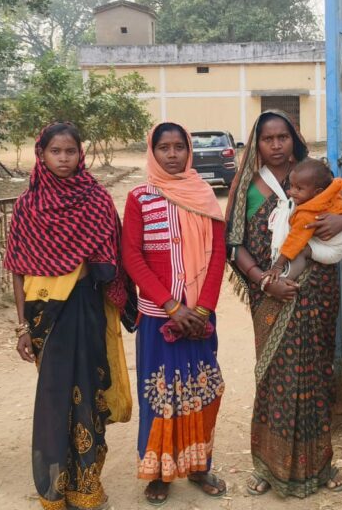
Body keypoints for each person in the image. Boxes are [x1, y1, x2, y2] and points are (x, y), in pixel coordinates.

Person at [225, 110, 342, 498]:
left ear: (294, 138)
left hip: (317, 292)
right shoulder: (248, 185)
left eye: (282, 137)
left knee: (315, 377)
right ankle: (267, 466)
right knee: (274, 379)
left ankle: (320, 465)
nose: (276, 145)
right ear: (257, 143)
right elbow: (234, 244)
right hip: (270, 295)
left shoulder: (314, 176)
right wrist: (263, 281)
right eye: (268, 139)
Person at [4, 122, 136, 510]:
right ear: (41, 155)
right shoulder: (28, 206)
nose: (63, 159)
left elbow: (113, 258)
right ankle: (53, 490)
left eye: (70, 151)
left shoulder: (96, 200)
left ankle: (87, 487)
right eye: (55, 151)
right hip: (45, 316)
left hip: (86, 309)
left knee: (89, 396)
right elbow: (17, 270)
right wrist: (22, 327)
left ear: (81, 154)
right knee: (54, 400)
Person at [121, 122, 228, 505]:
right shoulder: (140, 198)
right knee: (160, 394)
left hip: (199, 317)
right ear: (152, 151)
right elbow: (132, 256)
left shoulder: (204, 195)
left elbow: (218, 254)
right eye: (163, 147)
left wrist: (202, 308)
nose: (172, 154)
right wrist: (170, 306)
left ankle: (198, 466)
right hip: (158, 317)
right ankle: (159, 472)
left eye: (179, 147)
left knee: (202, 390)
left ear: (188, 151)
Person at [260, 157, 342, 286]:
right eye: (291, 186)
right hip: (338, 240)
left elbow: (294, 241)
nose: (292, 192)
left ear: (317, 192)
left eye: (299, 189)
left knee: (301, 250)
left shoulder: (307, 215)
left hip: (332, 249)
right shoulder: (330, 192)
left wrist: (278, 266)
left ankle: (285, 278)